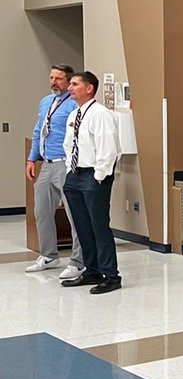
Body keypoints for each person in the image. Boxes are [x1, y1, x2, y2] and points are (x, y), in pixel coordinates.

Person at [61, 71, 121, 294]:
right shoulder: (74, 115)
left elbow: (108, 148)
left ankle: (111, 276)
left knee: (99, 226)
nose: (70, 87)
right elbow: (69, 145)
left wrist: (99, 176)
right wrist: (70, 170)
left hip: (94, 176)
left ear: (89, 88)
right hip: (75, 175)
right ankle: (92, 271)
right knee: (83, 227)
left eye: (75, 84)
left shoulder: (100, 114)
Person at [24, 64, 84, 280]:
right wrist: (32, 157)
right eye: (51, 77)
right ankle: (49, 256)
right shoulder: (45, 102)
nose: (53, 82)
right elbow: (39, 129)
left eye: (58, 79)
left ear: (68, 82)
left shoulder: (74, 104)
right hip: (47, 163)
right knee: (41, 211)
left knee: (74, 213)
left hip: (66, 164)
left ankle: (78, 261)